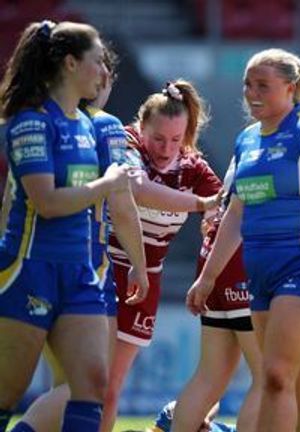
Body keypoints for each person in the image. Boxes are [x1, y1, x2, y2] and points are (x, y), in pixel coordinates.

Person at [186, 48, 300, 432]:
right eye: (247, 84)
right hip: (259, 273)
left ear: (291, 88)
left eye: (263, 85)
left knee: (275, 376)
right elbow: (236, 213)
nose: (251, 92)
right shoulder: (247, 139)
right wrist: (209, 276)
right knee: (297, 382)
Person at [0, 20, 138, 432]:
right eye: (97, 62)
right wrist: (108, 184)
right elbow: (46, 203)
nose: (103, 72)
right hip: (29, 270)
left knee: (93, 387)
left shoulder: (87, 124)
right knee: (7, 393)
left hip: (80, 272)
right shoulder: (31, 123)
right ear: (70, 63)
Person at [101, 79, 223, 432]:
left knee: (111, 389)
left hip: (146, 278)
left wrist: (212, 222)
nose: (166, 149)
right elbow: (137, 190)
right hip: (105, 268)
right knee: (90, 383)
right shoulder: (125, 142)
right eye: (158, 138)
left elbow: (228, 207)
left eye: (176, 139)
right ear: (142, 126)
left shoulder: (193, 166)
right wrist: (202, 205)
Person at [171, 159, 262, 432]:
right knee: (268, 376)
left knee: (209, 376)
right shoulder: (294, 135)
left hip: (214, 255)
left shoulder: (246, 144)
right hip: (240, 254)